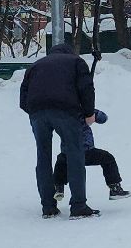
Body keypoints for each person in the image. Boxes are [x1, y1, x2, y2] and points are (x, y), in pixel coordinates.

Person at [19, 42, 100, 219]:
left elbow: (23, 96)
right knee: (75, 154)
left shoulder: (35, 65)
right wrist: (88, 113)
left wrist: (36, 112)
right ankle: (78, 206)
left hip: (37, 113)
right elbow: (87, 88)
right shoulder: (76, 62)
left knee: (43, 156)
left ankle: (48, 207)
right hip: (66, 111)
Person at [54, 109, 131, 202]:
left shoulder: (61, 112)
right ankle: (115, 188)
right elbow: (103, 118)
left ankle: (58, 188)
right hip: (86, 150)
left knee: (61, 161)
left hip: (68, 152)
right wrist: (92, 113)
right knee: (107, 158)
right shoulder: (84, 109)